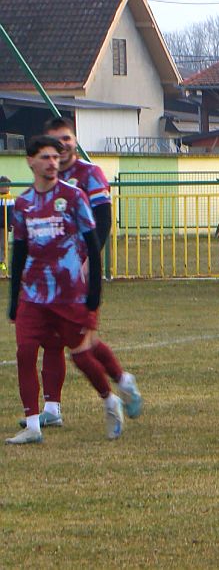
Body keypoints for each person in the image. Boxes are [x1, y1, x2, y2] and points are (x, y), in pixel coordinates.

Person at [7, 136, 126, 444]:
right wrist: (12, 300)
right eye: (45, 157)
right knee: (24, 353)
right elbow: (19, 251)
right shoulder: (22, 204)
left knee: (82, 356)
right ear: (30, 161)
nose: (52, 162)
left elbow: (91, 244)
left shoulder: (73, 197)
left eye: (55, 157)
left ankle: (110, 400)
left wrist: (93, 294)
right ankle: (32, 424)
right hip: (33, 295)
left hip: (68, 294)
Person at [26, 118, 142, 430]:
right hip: (51, 279)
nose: (60, 147)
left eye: (65, 139)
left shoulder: (90, 175)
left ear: (75, 141)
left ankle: (121, 383)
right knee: (52, 342)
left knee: (83, 345)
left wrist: (92, 257)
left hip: (80, 275)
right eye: (53, 141)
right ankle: (52, 407)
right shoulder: (45, 178)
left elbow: (102, 220)